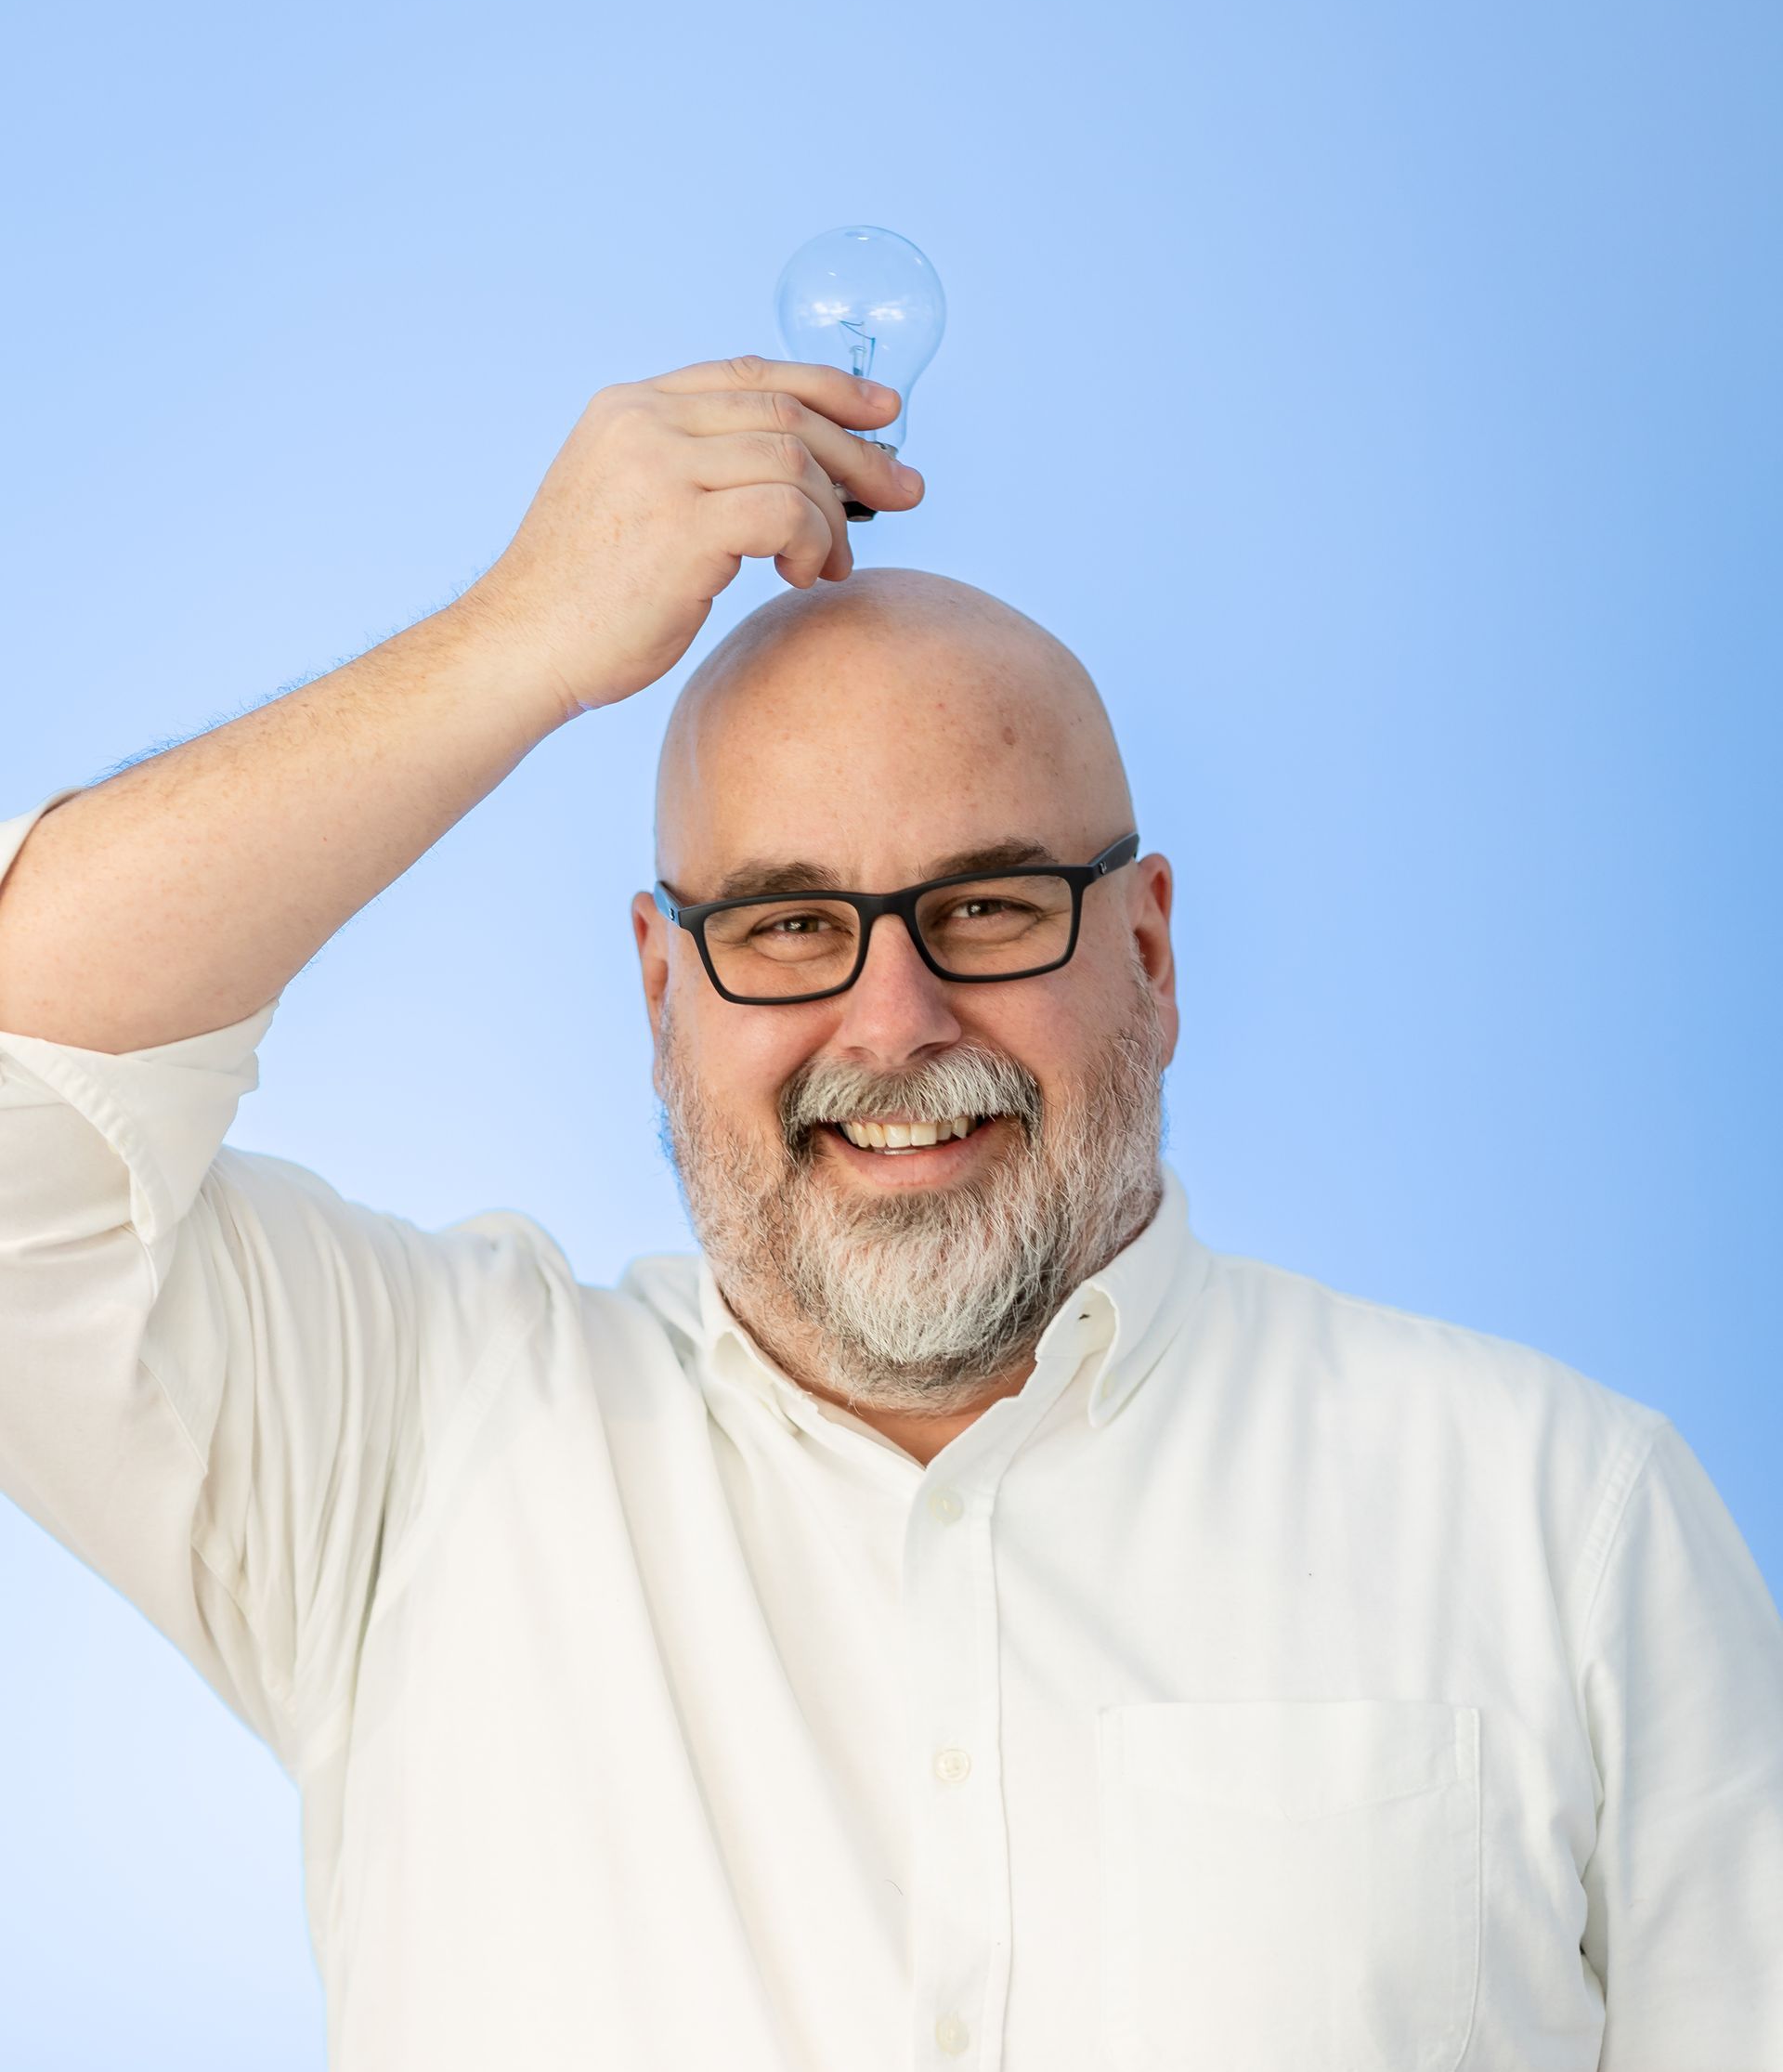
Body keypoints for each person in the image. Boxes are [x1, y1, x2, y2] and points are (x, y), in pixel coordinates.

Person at [0, 355, 1777, 2072]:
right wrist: (522, 634)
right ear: (657, 988)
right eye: (785, 925)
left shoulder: (1568, 1524)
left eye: (991, 906)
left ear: (1149, 953)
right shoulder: (401, 1450)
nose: (895, 1018)